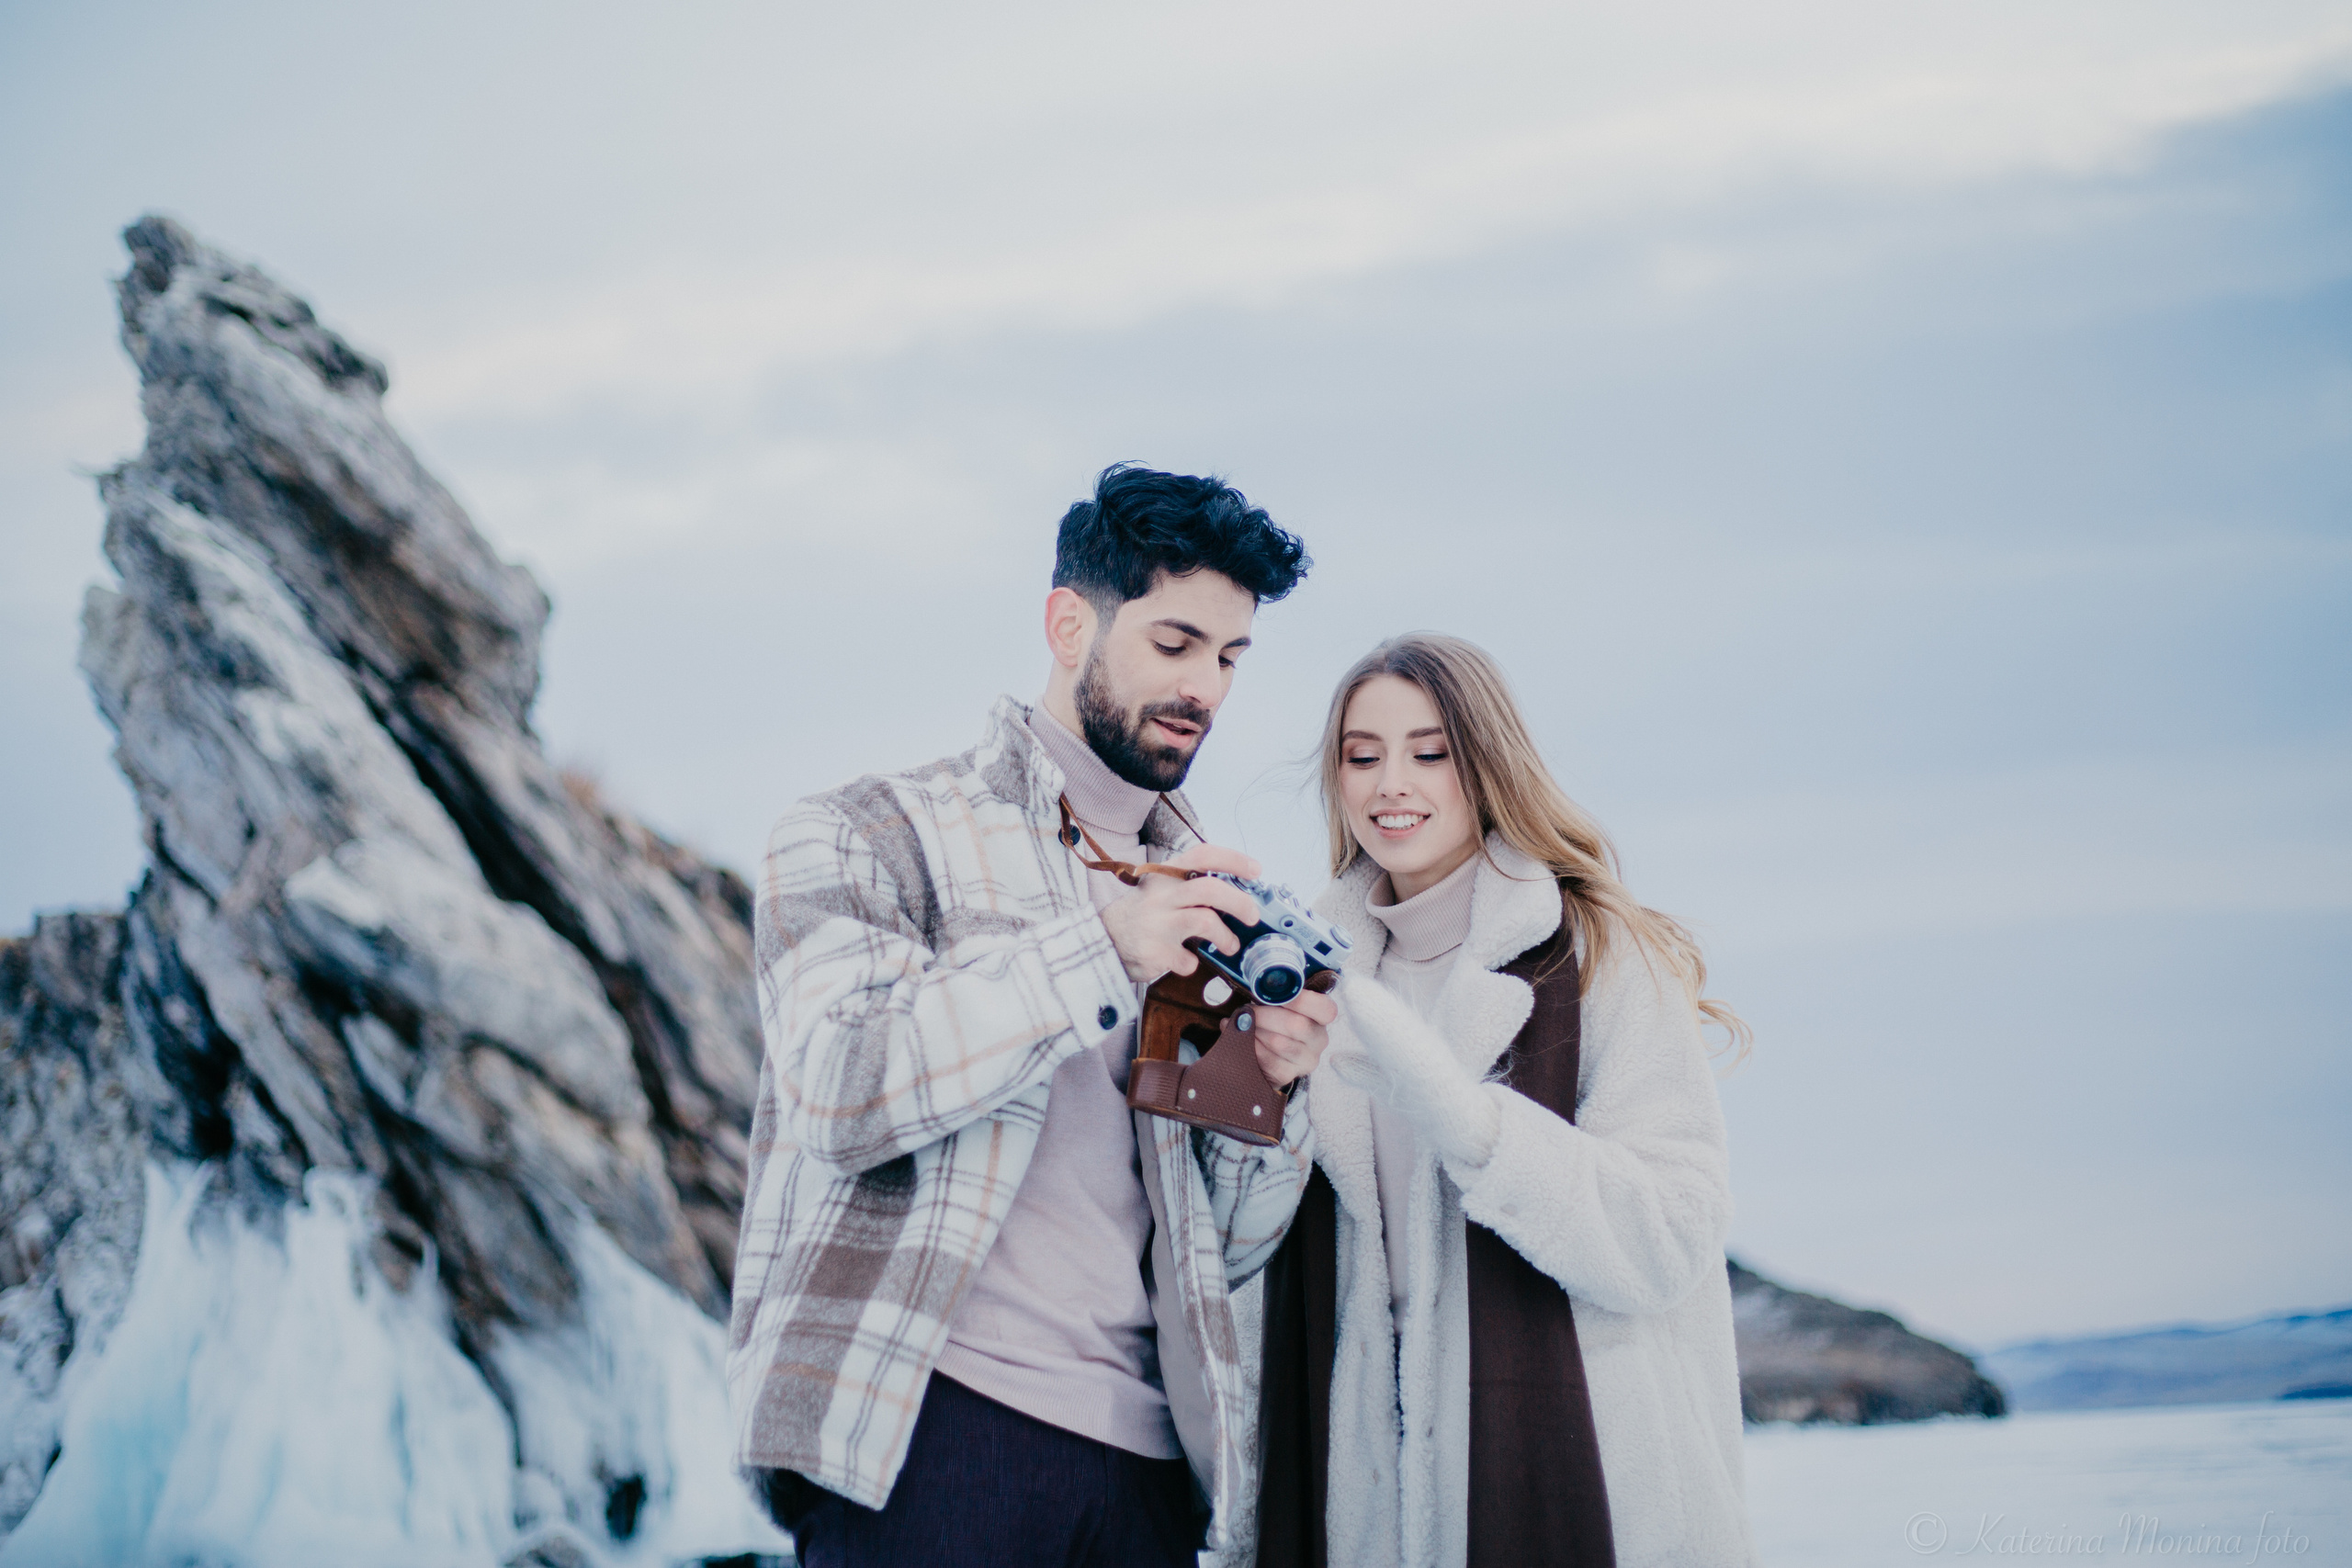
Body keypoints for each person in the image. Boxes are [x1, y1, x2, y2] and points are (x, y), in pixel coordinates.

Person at [728, 463, 1338, 1568]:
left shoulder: (1205, 904)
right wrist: (1103, 948)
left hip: (1151, 1474)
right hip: (933, 1432)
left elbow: (1226, 1249)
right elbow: (839, 1086)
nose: (1206, 683)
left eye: (1230, 656)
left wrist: (1274, 1094)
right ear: (1069, 625)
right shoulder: (869, 831)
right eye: (1174, 642)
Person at [1257, 632, 1757, 1568]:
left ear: (1486, 765)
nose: (1389, 784)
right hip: (1366, 1492)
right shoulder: (1309, 985)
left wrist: (1474, 1124)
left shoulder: (1602, 951)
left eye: (1429, 753)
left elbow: (1672, 1235)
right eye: (1361, 756)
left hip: (1592, 1478)